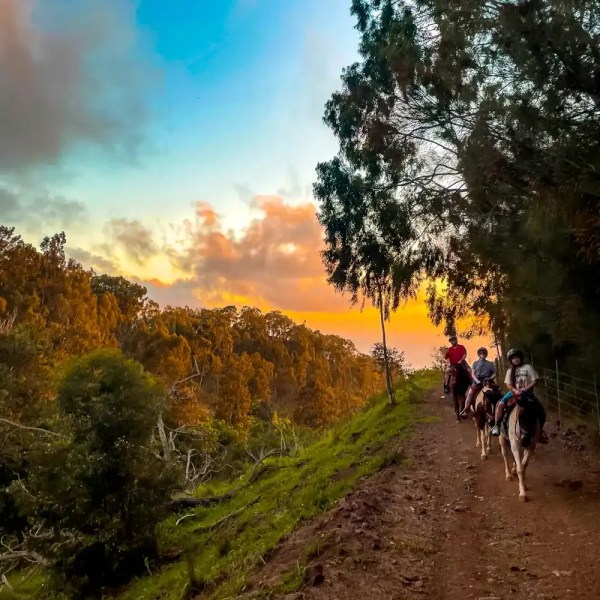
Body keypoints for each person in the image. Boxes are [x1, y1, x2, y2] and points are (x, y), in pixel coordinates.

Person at [491, 348, 548, 444]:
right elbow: (508, 384)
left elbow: (534, 381)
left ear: (521, 358)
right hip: (513, 392)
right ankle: (497, 426)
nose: (516, 360)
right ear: (511, 360)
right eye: (513, 358)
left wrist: (525, 389)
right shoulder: (510, 371)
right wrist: (515, 390)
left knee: (541, 410)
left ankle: (540, 432)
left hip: (528, 393)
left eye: (517, 357)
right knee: (500, 405)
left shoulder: (528, 367)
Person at [460, 347, 496, 417]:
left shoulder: (490, 364)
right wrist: (477, 381)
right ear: (479, 354)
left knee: (496, 391)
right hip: (477, 381)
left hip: (488, 381)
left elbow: (495, 373)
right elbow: (473, 374)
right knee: (470, 393)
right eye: (481, 353)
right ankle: (466, 410)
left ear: (486, 354)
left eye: (484, 353)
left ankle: (498, 407)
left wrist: (490, 378)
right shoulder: (475, 363)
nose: (482, 355)